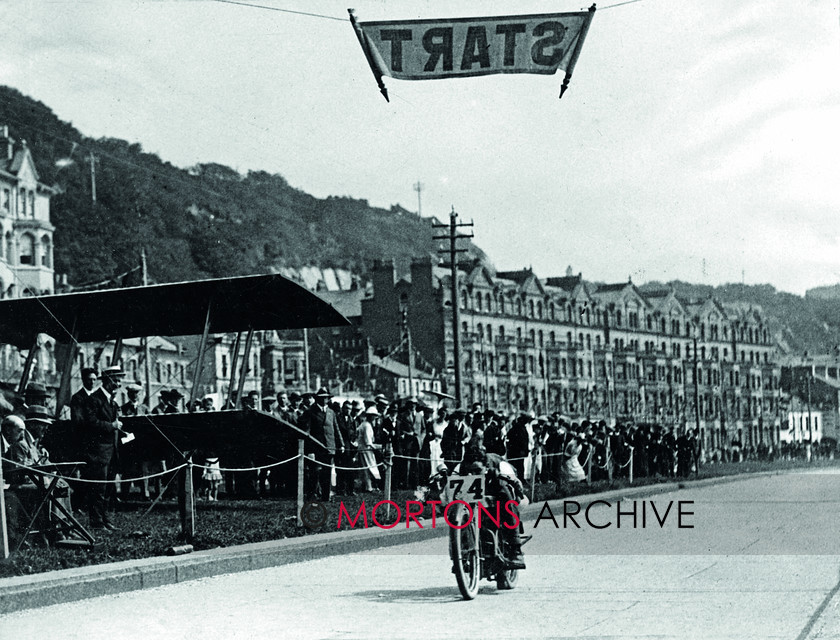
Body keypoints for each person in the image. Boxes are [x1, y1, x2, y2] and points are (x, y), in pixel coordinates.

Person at [460, 442, 527, 570]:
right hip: (476, 497)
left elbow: (517, 486)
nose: (474, 475)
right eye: (470, 471)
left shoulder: (499, 465)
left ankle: (515, 549)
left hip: (498, 491)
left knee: (505, 494)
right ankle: (462, 554)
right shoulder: (461, 467)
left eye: (478, 470)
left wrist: (511, 481)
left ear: (485, 466)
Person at [76, 365, 124, 531]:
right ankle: (96, 522)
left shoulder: (111, 400)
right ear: (109, 380)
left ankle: (105, 520)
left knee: (108, 489)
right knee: (98, 489)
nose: (119, 383)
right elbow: (90, 423)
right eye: (117, 379)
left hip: (110, 452)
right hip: (98, 452)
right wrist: (111, 425)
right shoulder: (94, 400)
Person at [298, 387, 344, 501]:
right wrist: (309, 450)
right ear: (317, 398)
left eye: (326, 398)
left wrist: (341, 444)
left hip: (329, 447)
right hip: (316, 448)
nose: (324, 400)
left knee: (327, 473)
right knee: (314, 473)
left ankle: (325, 496)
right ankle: (311, 496)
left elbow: (336, 429)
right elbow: (306, 433)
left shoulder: (331, 412)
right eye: (322, 398)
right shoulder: (310, 412)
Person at [357, 405, 382, 492]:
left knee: (368, 468)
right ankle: (368, 487)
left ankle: (368, 486)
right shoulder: (366, 425)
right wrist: (377, 447)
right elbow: (368, 441)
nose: (375, 417)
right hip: (365, 450)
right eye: (373, 415)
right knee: (368, 468)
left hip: (366, 449)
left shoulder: (366, 424)